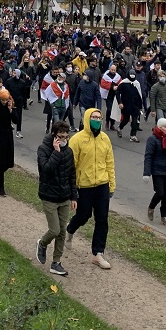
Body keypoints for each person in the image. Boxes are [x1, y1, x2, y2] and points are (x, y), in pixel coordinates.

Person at [66, 108, 117, 270]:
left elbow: (110, 163)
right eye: (94, 117)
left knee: (102, 219)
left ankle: (98, 253)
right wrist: (72, 190)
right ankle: (70, 229)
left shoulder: (105, 139)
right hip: (84, 186)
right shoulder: (77, 140)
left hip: (102, 184)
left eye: (99, 118)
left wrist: (111, 185)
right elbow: (71, 166)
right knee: (83, 215)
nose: (97, 120)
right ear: (87, 119)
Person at [36, 120, 78, 277]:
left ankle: (56, 262)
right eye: (61, 137)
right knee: (54, 230)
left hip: (65, 197)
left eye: (66, 137)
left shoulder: (69, 151)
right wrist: (56, 152)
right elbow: (46, 170)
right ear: (54, 136)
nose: (64, 139)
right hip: (49, 196)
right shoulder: (43, 149)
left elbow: (72, 175)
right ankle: (42, 243)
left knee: (62, 232)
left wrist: (74, 196)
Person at [116, 74, 143, 142]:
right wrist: (120, 102)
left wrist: (141, 106)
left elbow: (140, 95)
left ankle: (133, 135)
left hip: (135, 105)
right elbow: (117, 92)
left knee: (135, 120)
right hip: (126, 104)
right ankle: (120, 127)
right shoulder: (123, 83)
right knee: (126, 119)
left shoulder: (136, 83)